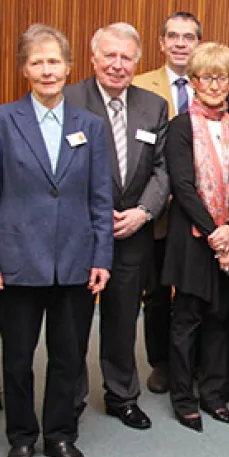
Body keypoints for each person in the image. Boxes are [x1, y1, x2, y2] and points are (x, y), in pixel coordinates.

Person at [0, 24, 112, 457]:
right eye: (37, 62)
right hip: (16, 263)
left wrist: (101, 258)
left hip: (76, 262)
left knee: (68, 357)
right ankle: (21, 438)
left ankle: (59, 435)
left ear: (69, 67)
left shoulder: (90, 127)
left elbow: (100, 199)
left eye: (54, 61)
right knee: (17, 359)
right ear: (24, 70)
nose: (47, 70)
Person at [65, 22, 169, 431]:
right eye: (109, 55)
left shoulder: (152, 105)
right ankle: (69, 399)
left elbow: (163, 170)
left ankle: (122, 396)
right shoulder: (69, 99)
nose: (117, 64)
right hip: (79, 232)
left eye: (126, 57)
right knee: (72, 322)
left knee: (123, 319)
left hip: (132, 230)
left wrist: (144, 212)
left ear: (137, 62)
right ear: (93, 57)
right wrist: (93, 212)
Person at [161, 42, 229, 432]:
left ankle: (213, 394)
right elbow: (183, 186)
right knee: (187, 321)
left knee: (220, 319)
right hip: (194, 239)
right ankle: (183, 397)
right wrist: (216, 236)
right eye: (206, 77)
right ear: (192, 82)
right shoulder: (180, 126)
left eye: (221, 76)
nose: (214, 84)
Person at [132, 11, 203, 394]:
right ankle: (161, 362)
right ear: (161, 43)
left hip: (201, 211)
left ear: (198, 44)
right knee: (156, 292)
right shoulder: (140, 86)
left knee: (196, 290)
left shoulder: (212, 84)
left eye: (188, 37)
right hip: (157, 209)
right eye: (172, 36)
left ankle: (196, 361)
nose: (180, 43)